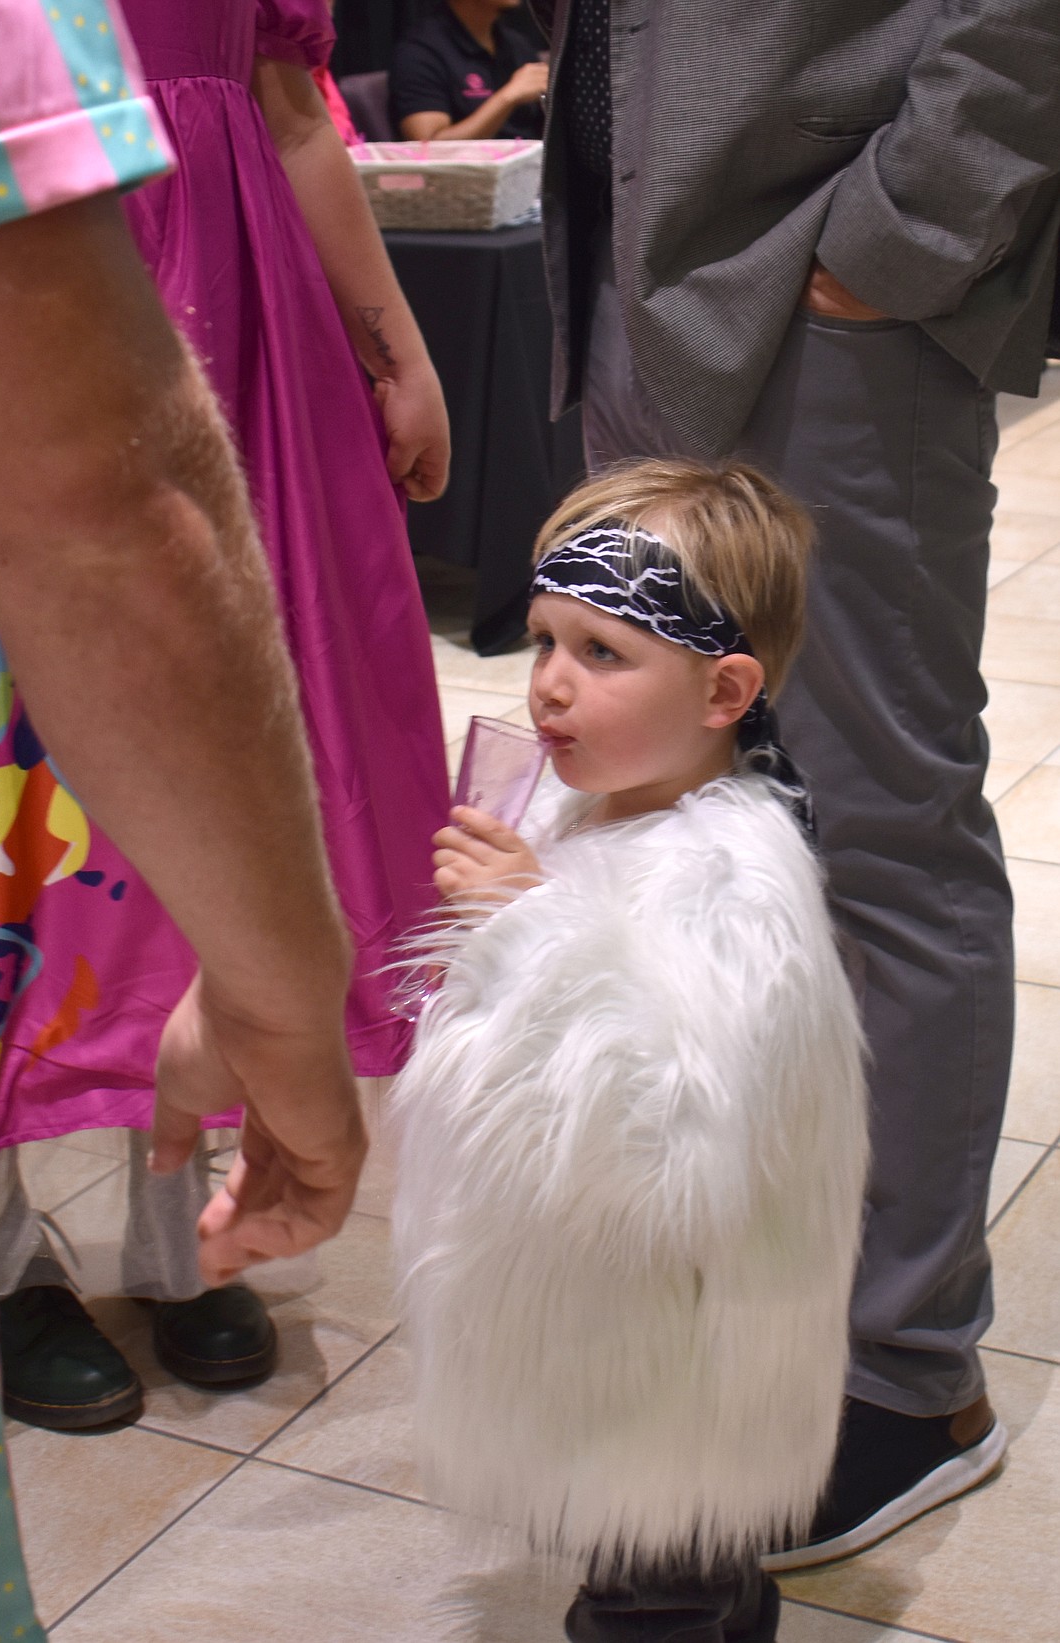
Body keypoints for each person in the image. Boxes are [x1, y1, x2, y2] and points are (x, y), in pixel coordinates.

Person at [532, 0, 1060, 1567]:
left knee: (880, 832)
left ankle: (905, 1375)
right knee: (694, 811)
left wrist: (900, 243)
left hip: (821, 280)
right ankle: (759, 1304)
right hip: (640, 273)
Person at [0, 0, 451, 1432]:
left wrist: (389, 342)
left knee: (223, 759)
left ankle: (180, 1215)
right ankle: (1, 1247)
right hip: (2, 294)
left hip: (237, 309)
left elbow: (287, 103)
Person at [392, 460, 869, 1643]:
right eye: (544, 638)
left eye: (603, 653)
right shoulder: (593, 804)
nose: (550, 684)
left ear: (725, 688)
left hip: (676, 1365)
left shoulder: (735, 880)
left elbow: (681, 1147)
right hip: (598, 1323)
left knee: (653, 1592)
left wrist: (532, 929)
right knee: (658, 1568)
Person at [390, 0, 548, 142]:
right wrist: (508, 97)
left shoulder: (517, 45)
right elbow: (429, 147)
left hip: (529, 166)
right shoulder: (419, 52)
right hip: (471, 172)